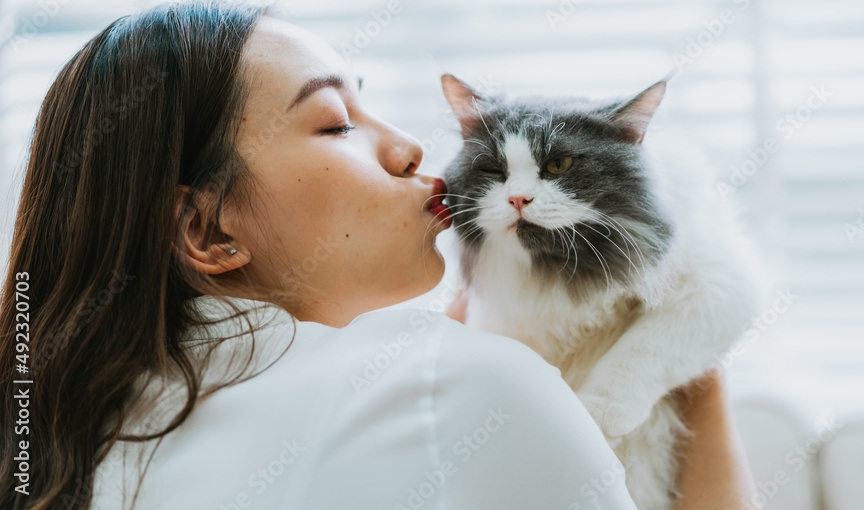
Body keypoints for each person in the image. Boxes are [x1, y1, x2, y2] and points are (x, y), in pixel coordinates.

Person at [0, 2, 754, 509]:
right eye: (335, 123)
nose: (410, 146)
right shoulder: (460, 388)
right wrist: (694, 370)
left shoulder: (64, 429)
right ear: (207, 232)